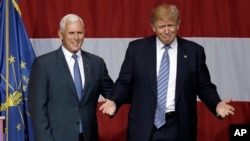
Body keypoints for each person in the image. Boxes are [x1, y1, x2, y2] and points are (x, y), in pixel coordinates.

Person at [99, 4, 235, 141]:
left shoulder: (194, 52)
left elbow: (204, 86)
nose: (166, 31)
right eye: (161, 27)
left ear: (178, 24)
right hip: (144, 126)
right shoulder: (137, 50)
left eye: (170, 25)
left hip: (178, 126)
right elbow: (124, 83)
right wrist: (114, 101)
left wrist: (216, 104)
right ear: (153, 27)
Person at [28, 14, 114, 141]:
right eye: (71, 33)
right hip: (57, 137)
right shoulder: (43, 64)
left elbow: (114, 93)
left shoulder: (96, 63)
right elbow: (37, 110)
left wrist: (116, 101)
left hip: (88, 136)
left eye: (80, 33)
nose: (76, 37)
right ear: (60, 34)